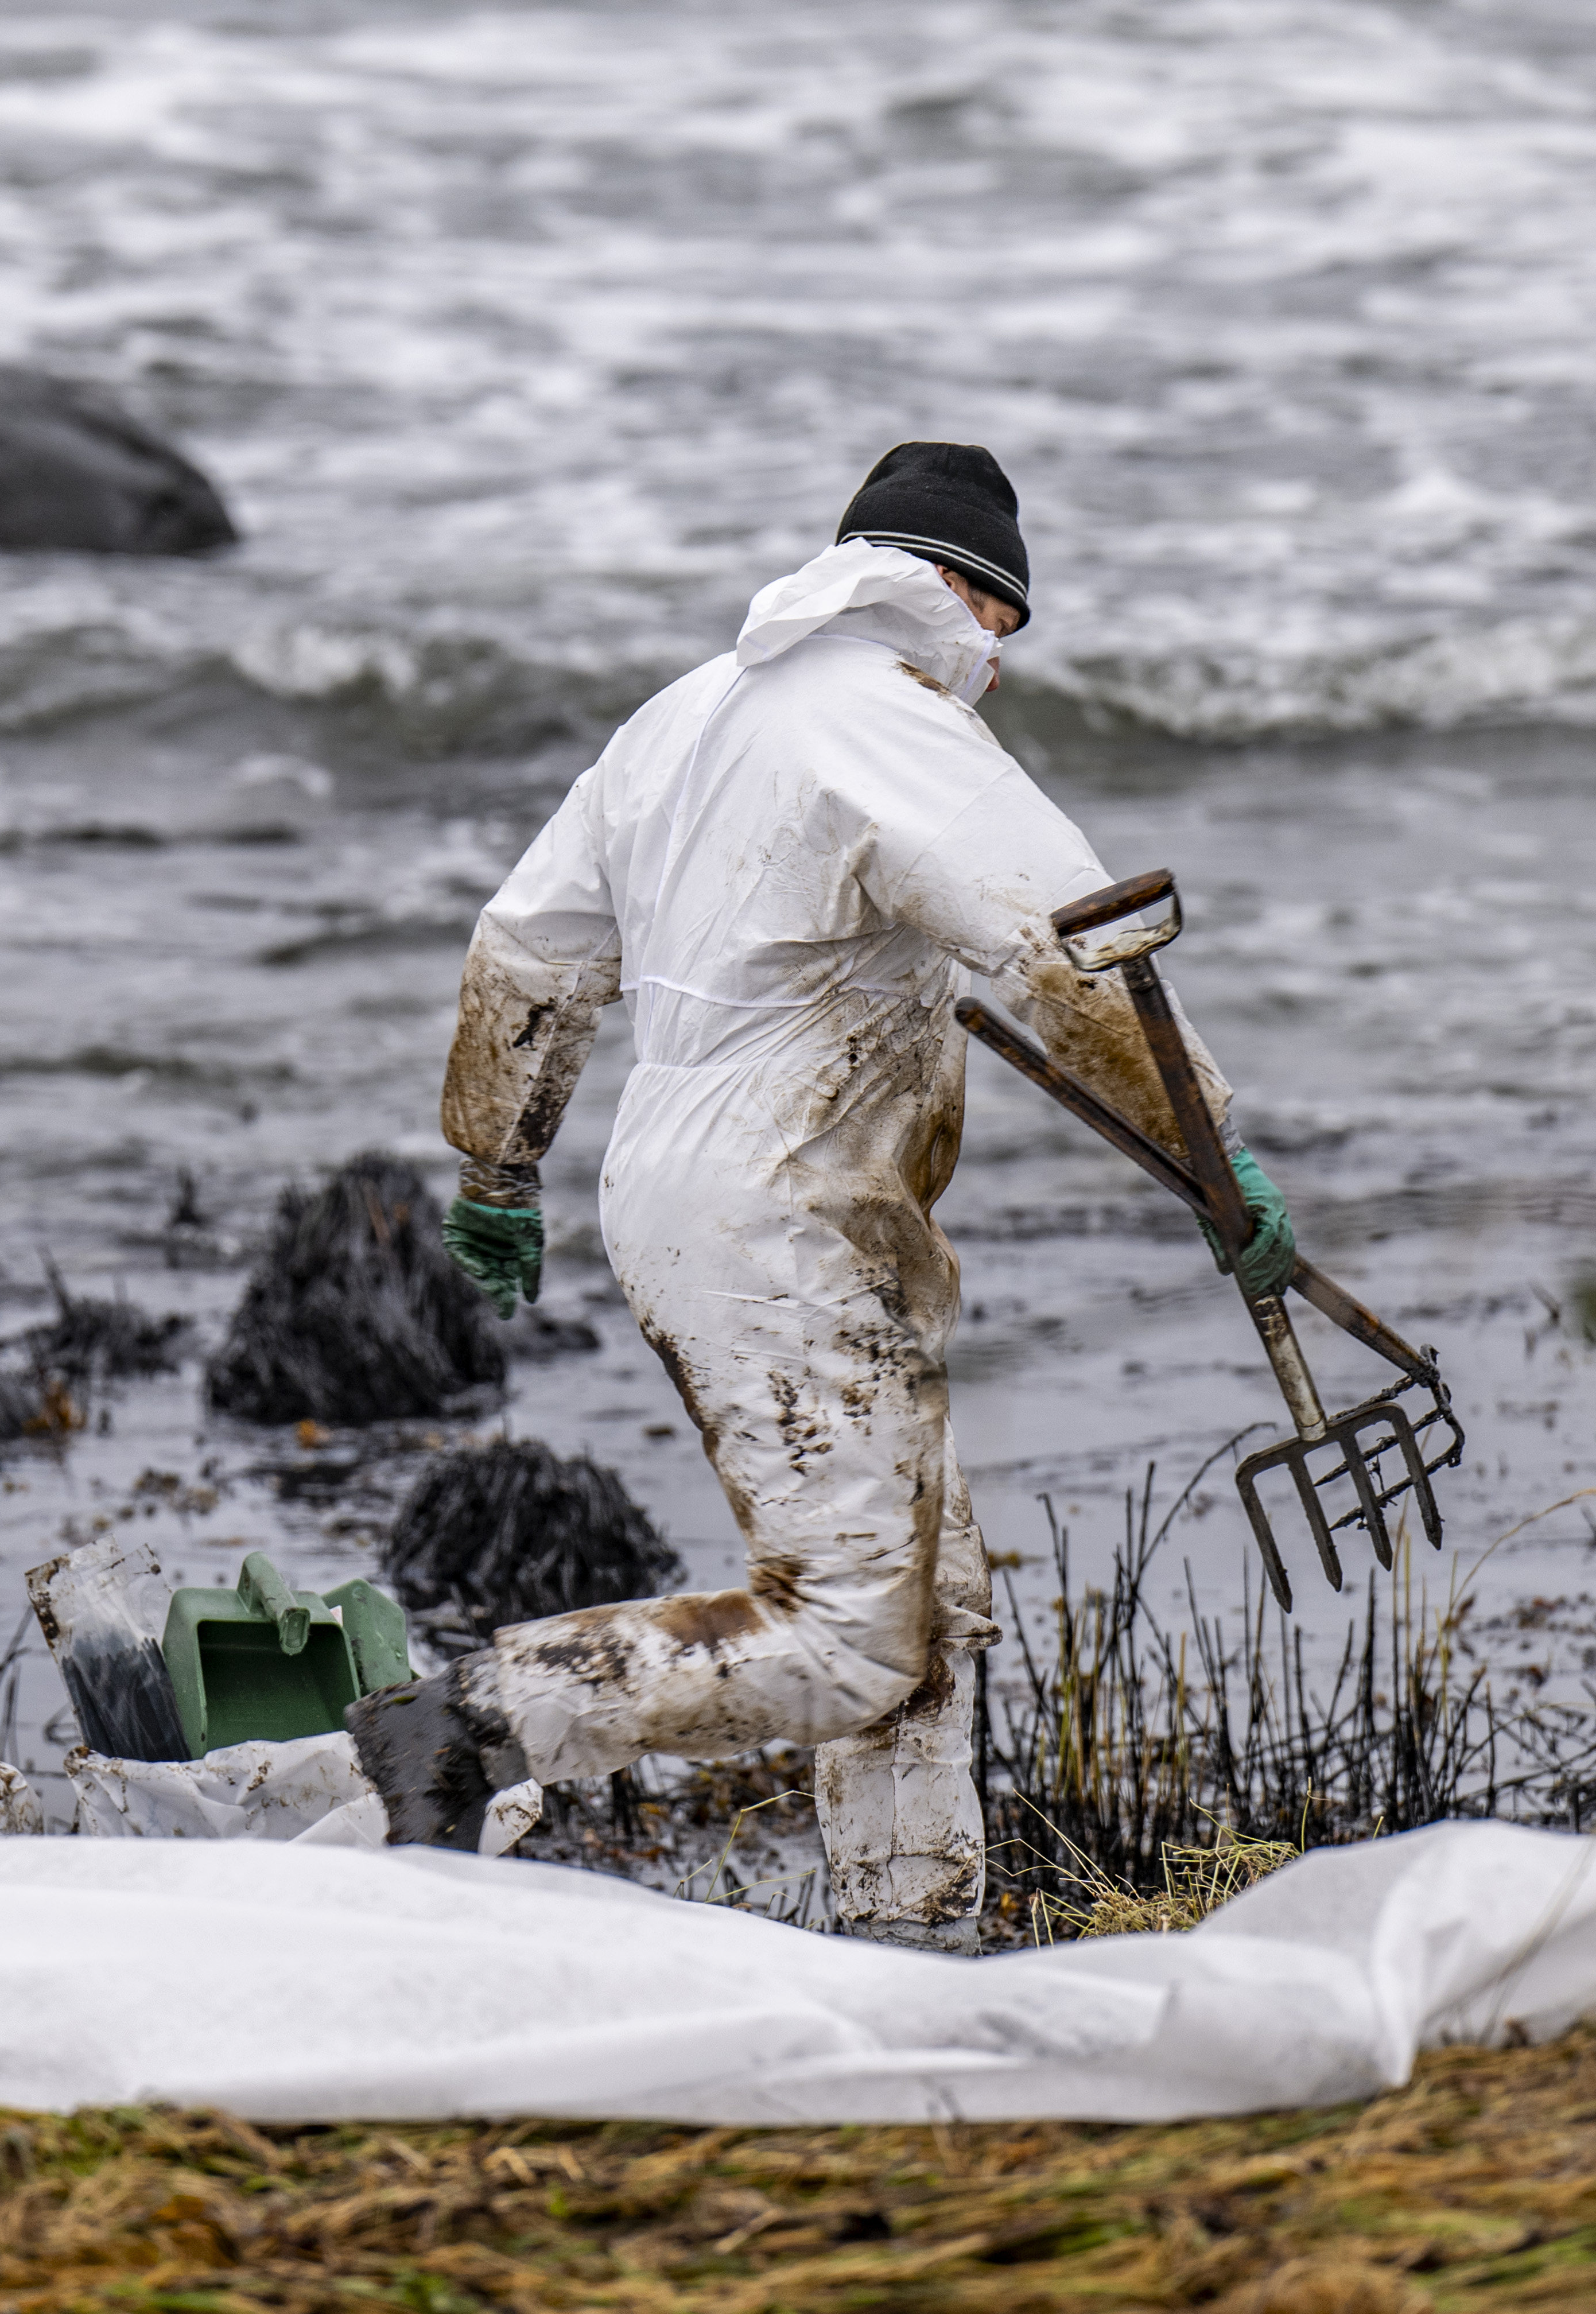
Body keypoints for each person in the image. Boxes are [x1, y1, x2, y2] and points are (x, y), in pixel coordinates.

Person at [352, 444, 1295, 1948]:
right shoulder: (891, 725)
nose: (994, 659)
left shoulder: (683, 717)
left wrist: (497, 1161)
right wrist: (1208, 1147)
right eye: (1001, 629)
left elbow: (527, 949)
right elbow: (1066, 947)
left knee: (928, 1610)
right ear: (973, 602)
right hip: (774, 1216)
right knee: (854, 1638)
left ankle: (911, 1940)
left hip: (694, 1195)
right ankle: (473, 1714)